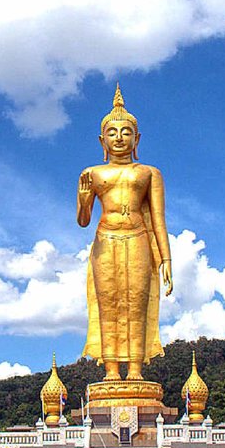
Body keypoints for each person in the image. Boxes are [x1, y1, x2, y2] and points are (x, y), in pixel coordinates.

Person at [78, 84, 173, 381]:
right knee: (108, 305)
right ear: (102, 139)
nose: (119, 138)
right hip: (105, 241)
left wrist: (167, 260)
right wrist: (83, 199)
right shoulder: (93, 173)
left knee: (136, 304)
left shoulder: (149, 173)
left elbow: (158, 219)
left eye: (126, 132)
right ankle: (110, 371)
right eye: (113, 132)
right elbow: (83, 221)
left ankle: (134, 370)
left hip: (138, 239)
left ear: (137, 138)